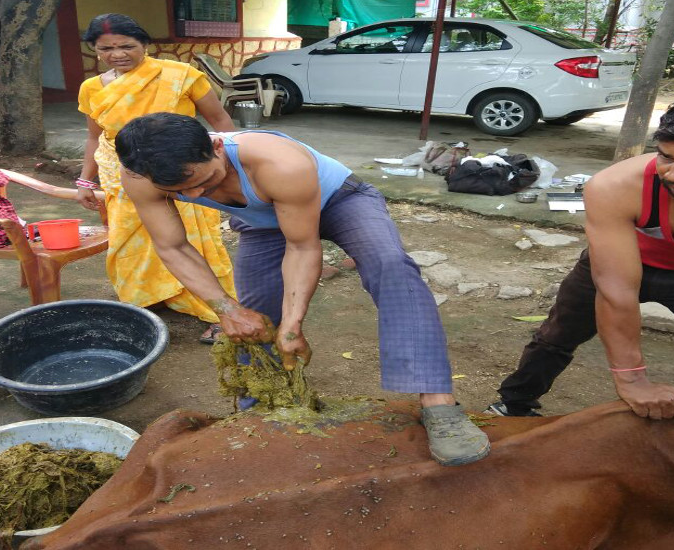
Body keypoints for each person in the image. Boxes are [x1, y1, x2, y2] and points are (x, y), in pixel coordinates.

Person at [112, 112, 490, 467]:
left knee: (390, 265)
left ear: (215, 147)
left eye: (202, 182)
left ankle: (439, 404)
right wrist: (226, 309)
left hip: (341, 201)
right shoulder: (140, 176)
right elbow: (173, 246)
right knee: (254, 316)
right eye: (180, 191)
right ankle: (262, 407)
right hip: (264, 222)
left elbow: (303, 246)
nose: (194, 195)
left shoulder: (279, 163)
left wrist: (294, 325)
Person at [487, 92, 674, 518]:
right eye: (668, 157)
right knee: (556, 336)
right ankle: (514, 403)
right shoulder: (617, 186)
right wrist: (633, 381)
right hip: (625, 263)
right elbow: (616, 291)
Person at [75, 13, 236, 343]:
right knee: (130, 241)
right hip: (123, 172)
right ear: (94, 49)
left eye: (127, 46)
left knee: (193, 238)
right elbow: (95, 137)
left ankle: (219, 311)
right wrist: (85, 181)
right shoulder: (91, 88)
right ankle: (148, 298)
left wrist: (231, 167)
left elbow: (219, 119)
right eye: (106, 48)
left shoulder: (180, 75)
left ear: (145, 45)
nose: (117, 54)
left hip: (181, 170)